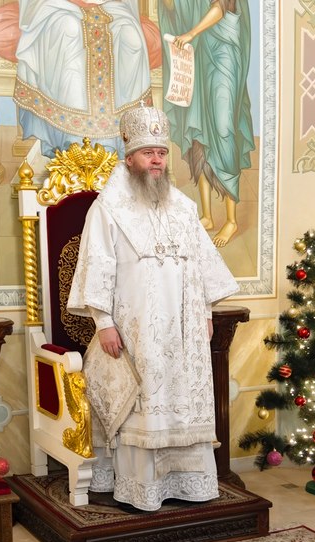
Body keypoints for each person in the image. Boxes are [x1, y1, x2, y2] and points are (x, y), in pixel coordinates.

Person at [67, 104, 239, 511]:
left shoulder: (183, 207)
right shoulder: (108, 208)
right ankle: (140, 489)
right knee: (143, 406)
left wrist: (206, 313)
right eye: (148, 153)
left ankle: (189, 484)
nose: (157, 160)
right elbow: (97, 265)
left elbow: (202, 265)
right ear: (130, 159)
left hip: (184, 329)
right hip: (135, 330)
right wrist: (104, 323)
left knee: (183, 402)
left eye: (161, 153)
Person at [162, 0, 255, 247]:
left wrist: (192, 33)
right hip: (198, 56)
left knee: (224, 130)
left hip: (224, 54)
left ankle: (231, 220)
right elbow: (174, 9)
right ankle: (207, 215)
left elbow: (222, 6)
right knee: (198, 132)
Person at [13, 0, 153, 155]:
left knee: (132, 37)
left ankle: (114, 140)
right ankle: (73, 138)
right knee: (69, 28)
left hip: (109, 7)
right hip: (61, 6)